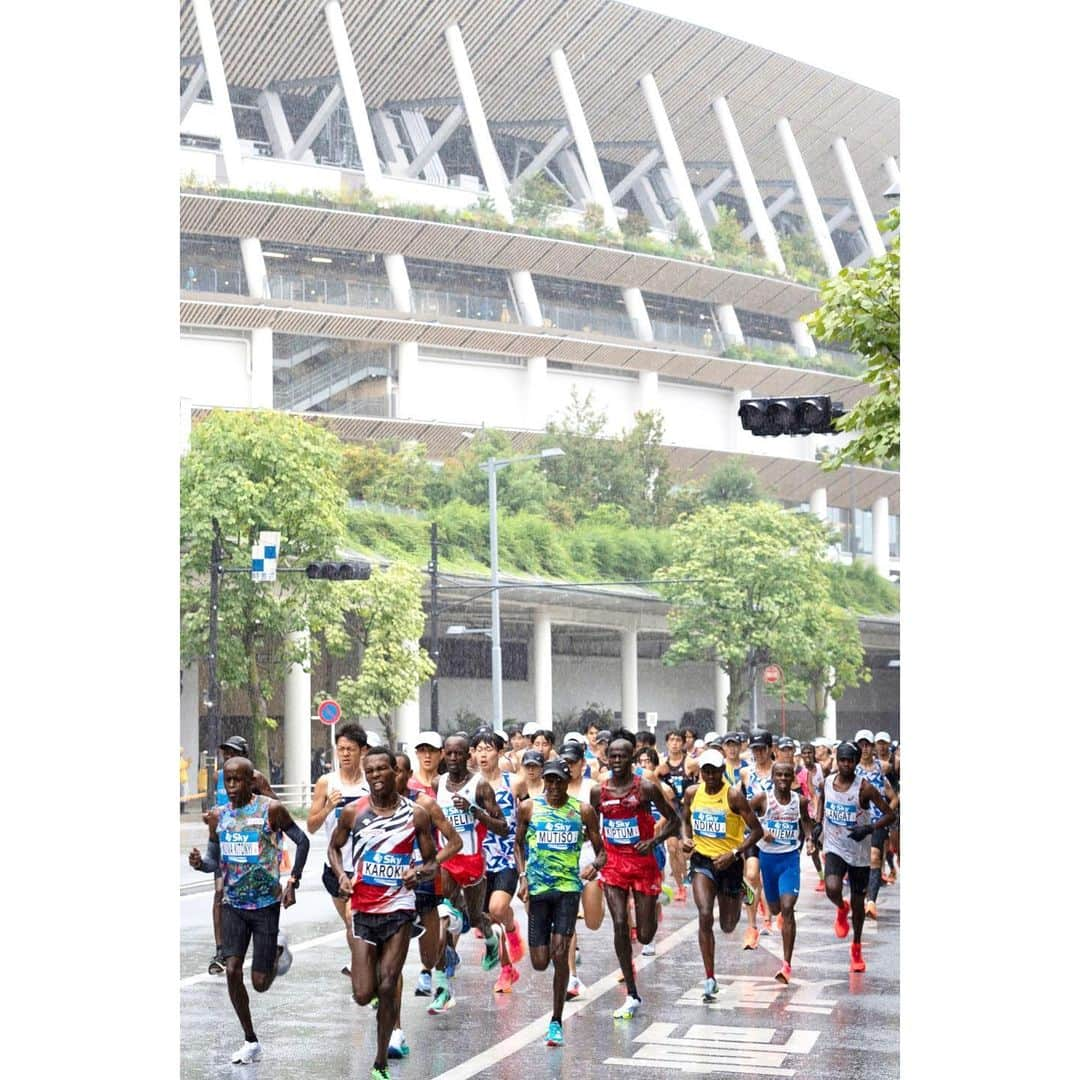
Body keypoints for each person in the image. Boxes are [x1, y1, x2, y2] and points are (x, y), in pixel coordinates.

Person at [329, 747, 460, 1080]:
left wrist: (418, 872)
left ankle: (380, 1061)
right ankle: (370, 984)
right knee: (363, 994)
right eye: (369, 771)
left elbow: (431, 862)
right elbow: (334, 846)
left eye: (381, 770)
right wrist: (342, 875)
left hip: (400, 909)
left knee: (388, 985)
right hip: (362, 909)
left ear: (395, 773)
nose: (375, 776)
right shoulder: (353, 813)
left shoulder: (416, 815)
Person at [189, 757, 310, 1064]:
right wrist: (200, 864)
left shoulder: (270, 810)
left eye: (237, 780)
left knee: (260, 983)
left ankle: (277, 953)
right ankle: (250, 1040)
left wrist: (293, 880)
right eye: (227, 781)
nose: (231, 787)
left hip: (266, 905)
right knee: (232, 970)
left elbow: (302, 840)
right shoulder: (218, 816)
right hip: (233, 904)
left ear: (250, 781)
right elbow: (215, 862)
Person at [515, 757, 607, 1047]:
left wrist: (594, 866)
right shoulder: (529, 807)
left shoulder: (582, 811)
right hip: (539, 892)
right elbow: (518, 843)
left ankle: (556, 1020)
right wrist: (522, 876)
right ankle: (556, 1008)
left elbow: (602, 851)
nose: (553, 786)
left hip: (568, 890)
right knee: (540, 962)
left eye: (559, 781)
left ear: (568, 783)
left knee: (559, 953)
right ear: (544, 781)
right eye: (549, 781)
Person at [590, 730, 680, 1019]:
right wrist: (598, 854)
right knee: (618, 924)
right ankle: (631, 992)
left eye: (622, 756)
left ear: (631, 759)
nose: (616, 760)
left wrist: (653, 841)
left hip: (642, 864)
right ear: (606, 758)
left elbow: (675, 820)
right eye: (612, 756)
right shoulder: (598, 792)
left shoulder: (646, 788)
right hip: (614, 865)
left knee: (644, 933)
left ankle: (654, 903)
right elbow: (591, 826)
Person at [429, 733, 509, 1014]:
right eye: (448, 753)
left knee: (475, 918)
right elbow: (430, 821)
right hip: (447, 861)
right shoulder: (437, 784)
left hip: (473, 861)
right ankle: (440, 987)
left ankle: (491, 940)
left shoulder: (480, 785)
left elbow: (503, 827)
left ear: (468, 756)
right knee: (442, 918)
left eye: (458, 754)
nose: (452, 759)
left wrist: (475, 811)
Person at [680, 748, 762, 1002]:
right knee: (705, 914)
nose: (711, 776)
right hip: (703, 860)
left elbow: (757, 831)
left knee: (728, 925)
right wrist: (686, 838)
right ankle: (709, 978)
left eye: (715, 771)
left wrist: (735, 853)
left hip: (730, 863)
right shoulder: (693, 793)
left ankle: (741, 890)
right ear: (701, 772)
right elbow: (684, 819)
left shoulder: (734, 796)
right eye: (706, 771)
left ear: (722, 771)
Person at [814, 741, 897, 972]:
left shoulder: (865, 788)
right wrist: (818, 823)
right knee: (832, 887)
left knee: (859, 904)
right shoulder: (828, 782)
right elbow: (821, 799)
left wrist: (869, 829)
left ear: (856, 761)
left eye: (850, 760)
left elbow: (890, 815)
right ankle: (841, 908)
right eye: (842, 760)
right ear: (837, 760)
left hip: (859, 851)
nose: (846, 764)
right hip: (835, 846)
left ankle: (857, 947)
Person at [306, 724, 370, 975]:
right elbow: (311, 826)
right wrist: (328, 808)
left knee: (353, 917)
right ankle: (363, 961)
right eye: (340, 749)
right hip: (335, 864)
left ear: (362, 751)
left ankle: (362, 969)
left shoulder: (371, 780)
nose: (344, 754)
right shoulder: (327, 783)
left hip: (365, 865)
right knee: (350, 922)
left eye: (350, 749)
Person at [208, 736, 274, 975]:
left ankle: (265, 947)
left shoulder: (255, 778)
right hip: (227, 843)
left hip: (253, 847)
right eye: (225, 752)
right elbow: (212, 803)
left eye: (233, 752)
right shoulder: (217, 776)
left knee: (254, 899)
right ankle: (221, 950)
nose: (228, 757)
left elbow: (275, 806)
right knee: (219, 894)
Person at [472, 729, 526, 993]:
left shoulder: (514, 782)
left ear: (500, 752)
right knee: (487, 919)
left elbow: (527, 815)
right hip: (479, 861)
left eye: (488, 748)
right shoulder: (469, 785)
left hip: (506, 858)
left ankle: (510, 929)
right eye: (478, 749)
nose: (483, 754)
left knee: (496, 908)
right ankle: (508, 967)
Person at [750, 761, 814, 983]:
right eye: (779, 775)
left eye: (788, 776)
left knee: (787, 908)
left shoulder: (800, 801)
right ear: (773, 777)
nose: (784, 780)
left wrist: (810, 839)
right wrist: (761, 828)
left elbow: (807, 823)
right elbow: (743, 816)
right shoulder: (762, 799)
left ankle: (786, 965)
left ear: (793, 778)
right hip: (768, 859)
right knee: (776, 907)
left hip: (789, 859)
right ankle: (772, 912)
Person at [854, 729, 898, 920]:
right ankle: (859, 898)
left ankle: (871, 902)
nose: (864, 748)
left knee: (874, 857)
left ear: (872, 747)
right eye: (861, 745)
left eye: (867, 744)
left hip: (877, 822)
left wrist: (888, 812)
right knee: (858, 862)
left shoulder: (881, 768)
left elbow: (893, 797)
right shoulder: (850, 767)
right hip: (856, 822)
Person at [740, 730, 775, 947]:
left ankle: (770, 917)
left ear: (771, 749)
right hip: (753, 832)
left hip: (777, 835)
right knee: (751, 875)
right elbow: (741, 802)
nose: (759, 753)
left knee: (770, 881)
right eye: (755, 749)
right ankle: (751, 926)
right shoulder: (746, 773)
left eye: (762, 748)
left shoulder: (780, 771)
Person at [657, 728, 698, 902]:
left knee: (683, 848)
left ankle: (689, 872)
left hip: (687, 810)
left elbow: (702, 779)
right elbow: (651, 779)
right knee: (672, 847)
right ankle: (680, 887)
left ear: (683, 743)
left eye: (678, 740)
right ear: (667, 743)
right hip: (671, 811)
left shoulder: (690, 763)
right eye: (671, 740)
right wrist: (662, 787)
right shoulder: (662, 764)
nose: (674, 743)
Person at [180, 746, 192, 813]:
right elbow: (181, 766)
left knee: (184, 795)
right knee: (182, 795)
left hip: (183, 779)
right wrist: (187, 763)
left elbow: (185, 766)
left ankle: (182, 809)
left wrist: (188, 763)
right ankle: (181, 810)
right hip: (181, 780)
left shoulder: (181, 758)